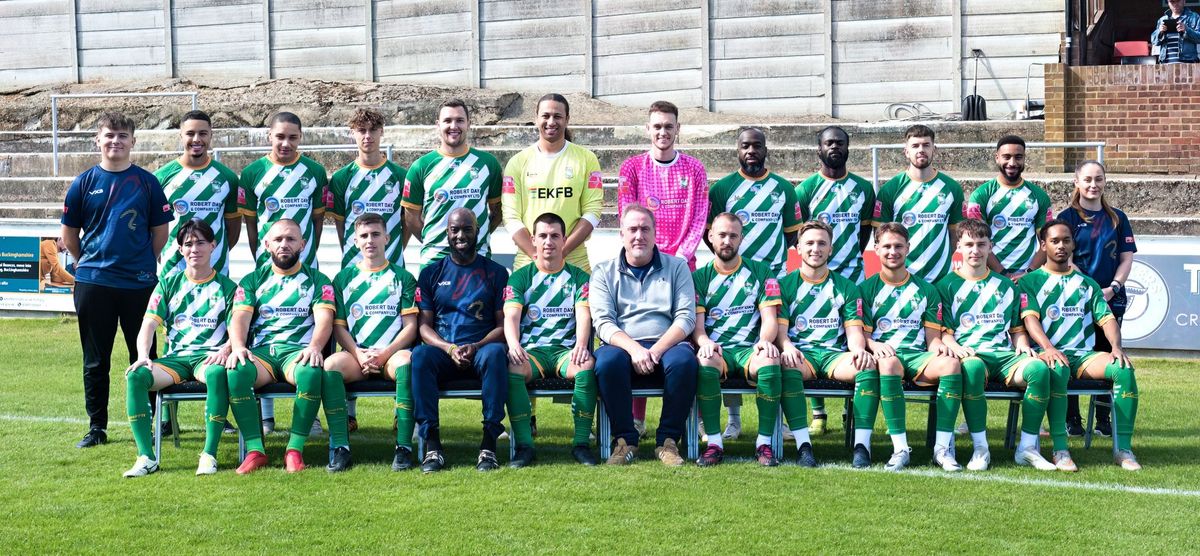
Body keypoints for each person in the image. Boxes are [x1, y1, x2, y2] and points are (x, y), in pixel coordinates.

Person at [61, 112, 174, 448]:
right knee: (96, 359)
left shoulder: (147, 182)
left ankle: (153, 421)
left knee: (144, 355)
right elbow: (69, 235)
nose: (116, 141)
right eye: (109, 135)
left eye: (122, 136)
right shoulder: (83, 182)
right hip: (94, 283)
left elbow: (160, 233)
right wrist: (88, 265)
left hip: (139, 283)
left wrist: (140, 263)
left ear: (132, 142)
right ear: (98, 139)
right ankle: (97, 427)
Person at [616, 100, 710, 437]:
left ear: (677, 129)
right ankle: (636, 419)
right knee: (642, 328)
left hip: (684, 264)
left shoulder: (695, 169)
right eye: (657, 126)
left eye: (668, 126)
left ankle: (696, 416)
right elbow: (630, 217)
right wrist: (652, 257)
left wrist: (680, 258)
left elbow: (700, 216)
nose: (663, 132)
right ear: (648, 129)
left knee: (689, 336)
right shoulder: (632, 169)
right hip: (644, 264)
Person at [935, 219, 1057, 471]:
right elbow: (943, 333)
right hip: (971, 353)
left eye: (981, 244)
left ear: (991, 246)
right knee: (973, 369)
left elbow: (1016, 330)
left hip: (1003, 355)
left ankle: (1027, 448)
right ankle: (981, 448)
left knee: (1039, 370)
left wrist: (1022, 344)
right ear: (959, 246)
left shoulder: (1005, 285)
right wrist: (954, 346)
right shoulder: (945, 285)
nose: (975, 250)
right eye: (969, 244)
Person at [1019, 219, 1141, 471]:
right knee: (1057, 369)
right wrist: (1048, 348)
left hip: (1083, 356)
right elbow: (1030, 320)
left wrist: (1115, 347)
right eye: (1054, 241)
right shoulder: (1030, 282)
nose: (1061, 246)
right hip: (1046, 354)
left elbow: (1106, 318)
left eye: (1066, 240)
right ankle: (1061, 450)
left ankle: (1124, 450)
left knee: (1123, 369)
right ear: (1043, 245)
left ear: (1073, 244)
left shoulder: (1087, 283)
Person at [121, 220, 238, 477]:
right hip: (175, 360)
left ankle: (209, 455)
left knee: (218, 373)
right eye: (188, 244)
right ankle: (146, 457)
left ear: (213, 246)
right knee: (136, 376)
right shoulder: (167, 284)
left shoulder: (228, 287)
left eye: (200, 243)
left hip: (207, 358)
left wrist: (227, 348)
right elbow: (148, 325)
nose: (194, 248)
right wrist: (142, 356)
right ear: (180, 249)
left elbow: (238, 332)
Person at [225, 219, 341, 474]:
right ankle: (256, 451)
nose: (284, 245)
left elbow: (325, 320)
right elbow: (239, 319)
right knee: (236, 371)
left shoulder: (318, 280)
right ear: (266, 245)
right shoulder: (252, 280)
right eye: (278, 240)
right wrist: (238, 346)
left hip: (296, 352)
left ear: (303, 243)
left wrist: (314, 347)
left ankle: (294, 450)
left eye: (290, 239)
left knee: (311, 371)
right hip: (263, 354)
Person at [708, 127, 802, 440]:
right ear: (738, 150)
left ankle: (778, 420)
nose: (751, 151)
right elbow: (717, 233)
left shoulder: (784, 188)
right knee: (730, 339)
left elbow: (792, 233)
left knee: (772, 345)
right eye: (745, 146)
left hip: (773, 279)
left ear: (765, 149)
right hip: (731, 279)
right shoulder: (723, 188)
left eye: (757, 146)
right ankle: (733, 420)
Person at [591, 205, 698, 466]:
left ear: (654, 233)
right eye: (633, 229)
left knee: (685, 362)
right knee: (606, 362)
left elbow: (685, 318)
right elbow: (603, 322)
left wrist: (656, 350)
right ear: (622, 234)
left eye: (645, 229)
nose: (639, 235)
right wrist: (635, 350)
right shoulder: (603, 272)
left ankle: (668, 442)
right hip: (622, 345)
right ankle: (625, 441)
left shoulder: (677, 267)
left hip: (667, 344)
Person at [410, 208, 510, 473]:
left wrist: (476, 346)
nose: (461, 235)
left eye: (467, 229)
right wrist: (449, 347)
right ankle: (432, 446)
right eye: (455, 230)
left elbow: (503, 326)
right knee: (419, 356)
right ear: (447, 233)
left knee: (496, 354)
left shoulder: (497, 273)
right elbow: (423, 327)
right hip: (445, 350)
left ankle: (488, 445)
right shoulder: (431, 273)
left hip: (481, 349)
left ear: (478, 231)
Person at [860, 223, 963, 472]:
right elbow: (863, 336)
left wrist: (942, 347)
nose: (892, 251)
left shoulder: (927, 290)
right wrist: (874, 345)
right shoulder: (865, 289)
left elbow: (932, 338)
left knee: (951, 363)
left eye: (898, 246)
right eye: (886, 246)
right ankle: (900, 449)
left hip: (919, 356)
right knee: (887, 362)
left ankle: (942, 449)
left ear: (908, 248)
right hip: (887, 356)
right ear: (876, 249)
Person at [776, 220, 878, 469]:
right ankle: (803, 446)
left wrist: (858, 350)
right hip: (802, 355)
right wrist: (787, 346)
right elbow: (780, 333)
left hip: (834, 356)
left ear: (831, 249)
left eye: (822, 243)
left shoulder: (846, 287)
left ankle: (861, 445)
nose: (815, 248)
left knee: (867, 366)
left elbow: (854, 331)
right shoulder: (784, 286)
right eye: (809, 243)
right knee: (787, 365)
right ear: (797, 248)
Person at [793, 125, 875, 435]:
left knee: (846, 342)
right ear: (819, 148)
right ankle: (818, 414)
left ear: (848, 147)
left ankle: (848, 411)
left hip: (851, 276)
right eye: (828, 143)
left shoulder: (864, 188)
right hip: (813, 278)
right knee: (812, 337)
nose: (834, 147)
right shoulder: (805, 190)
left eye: (840, 143)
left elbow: (864, 232)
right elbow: (803, 234)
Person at [324, 213, 420, 471]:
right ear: (355, 241)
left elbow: (411, 328)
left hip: (391, 355)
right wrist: (359, 353)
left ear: (387, 238)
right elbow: (339, 327)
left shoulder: (403, 277)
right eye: (364, 236)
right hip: (357, 357)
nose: (370, 241)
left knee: (408, 362)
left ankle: (403, 447)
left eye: (376, 234)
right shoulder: (343, 279)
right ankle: (340, 447)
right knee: (330, 365)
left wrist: (384, 354)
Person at [503, 212, 596, 467]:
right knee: (513, 367)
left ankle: (581, 444)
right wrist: (513, 345)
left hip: (565, 351)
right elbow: (511, 317)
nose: (548, 241)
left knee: (586, 366)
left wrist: (580, 344)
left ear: (565, 239)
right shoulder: (520, 277)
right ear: (533, 240)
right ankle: (524, 446)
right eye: (542, 236)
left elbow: (584, 315)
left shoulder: (579, 277)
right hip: (532, 351)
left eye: (555, 236)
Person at [692, 213, 783, 467]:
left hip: (749, 349)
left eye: (733, 235)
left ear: (741, 238)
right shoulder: (699, 277)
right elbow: (697, 328)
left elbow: (770, 319)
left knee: (769, 360)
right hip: (719, 349)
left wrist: (765, 341)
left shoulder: (761, 271)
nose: (727, 241)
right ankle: (714, 443)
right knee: (705, 361)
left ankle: (763, 443)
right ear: (710, 237)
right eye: (721, 235)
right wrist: (705, 342)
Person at [1057, 160, 1135, 438]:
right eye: (1087, 179)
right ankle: (1072, 420)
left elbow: (1126, 258)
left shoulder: (1118, 218)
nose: (1093, 185)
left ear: (1105, 181)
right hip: (1075, 301)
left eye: (1098, 179)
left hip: (1111, 298)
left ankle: (1102, 419)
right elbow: (1064, 257)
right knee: (1072, 355)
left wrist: (1112, 287)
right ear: (1076, 182)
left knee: (1107, 356)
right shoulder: (1066, 218)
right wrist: (1090, 288)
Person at [502, 93, 604, 273]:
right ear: (536, 119)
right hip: (528, 265)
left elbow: (593, 211)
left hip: (575, 264)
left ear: (567, 119)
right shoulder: (517, 162)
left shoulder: (587, 159)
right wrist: (537, 255)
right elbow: (511, 217)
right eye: (545, 116)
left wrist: (561, 253)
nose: (551, 121)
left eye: (557, 116)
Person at [402, 99, 503, 268]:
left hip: (478, 256)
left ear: (469, 124)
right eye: (447, 121)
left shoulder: (488, 163)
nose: (453, 126)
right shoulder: (421, 166)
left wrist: (476, 237)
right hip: (435, 259)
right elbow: (411, 217)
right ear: (438, 125)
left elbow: (498, 211)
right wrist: (434, 241)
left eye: (460, 120)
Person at [153, 110, 241, 277]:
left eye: (202, 133)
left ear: (210, 135)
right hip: (173, 268)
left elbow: (234, 230)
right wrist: (165, 254)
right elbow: (153, 227)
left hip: (216, 268)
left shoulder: (228, 178)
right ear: (181, 136)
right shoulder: (161, 177)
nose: (196, 139)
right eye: (190, 133)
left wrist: (213, 253)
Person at [874, 125, 964, 285]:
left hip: (941, 278)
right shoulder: (891, 189)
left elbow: (955, 234)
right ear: (906, 151)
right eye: (915, 146)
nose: (921, 150)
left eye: (926, 145)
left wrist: (940, 260)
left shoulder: (952, 187)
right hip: (902, 277)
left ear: (934, 149)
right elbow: (881, 236)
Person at [239, 112, 327, 270]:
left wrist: (308, 252)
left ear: (300, 136)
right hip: (267, 262)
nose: (286, 144)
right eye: (280, 136)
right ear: (269, 136)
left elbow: (318, 220)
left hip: (305, 262)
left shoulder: (316, 171)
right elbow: (251, 224)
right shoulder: (251, 172)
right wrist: (260, 257)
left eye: (292, 137)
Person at [327, 107, 407, 269]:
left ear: (381, 132)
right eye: (362, 130)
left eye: (373, 130)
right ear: (353, 133)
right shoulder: (341, 177)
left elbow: (407, 221)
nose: (368, 136)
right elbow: (340, 225)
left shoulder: (400, 175)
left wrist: (395, 249)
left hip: (392, 261)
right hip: (353, 263)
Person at [965, 135, 1052, 278]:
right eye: (1006, 157)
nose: (1012, 163)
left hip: (1027, 275)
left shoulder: (1039, 196)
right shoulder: (980, 195)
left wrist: (1029, 272)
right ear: (997, 158)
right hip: (990, 274)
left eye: (1018, 157)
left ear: (1024, 158)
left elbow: (1047, 241)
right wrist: (1002, 273)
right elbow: (977, 240)